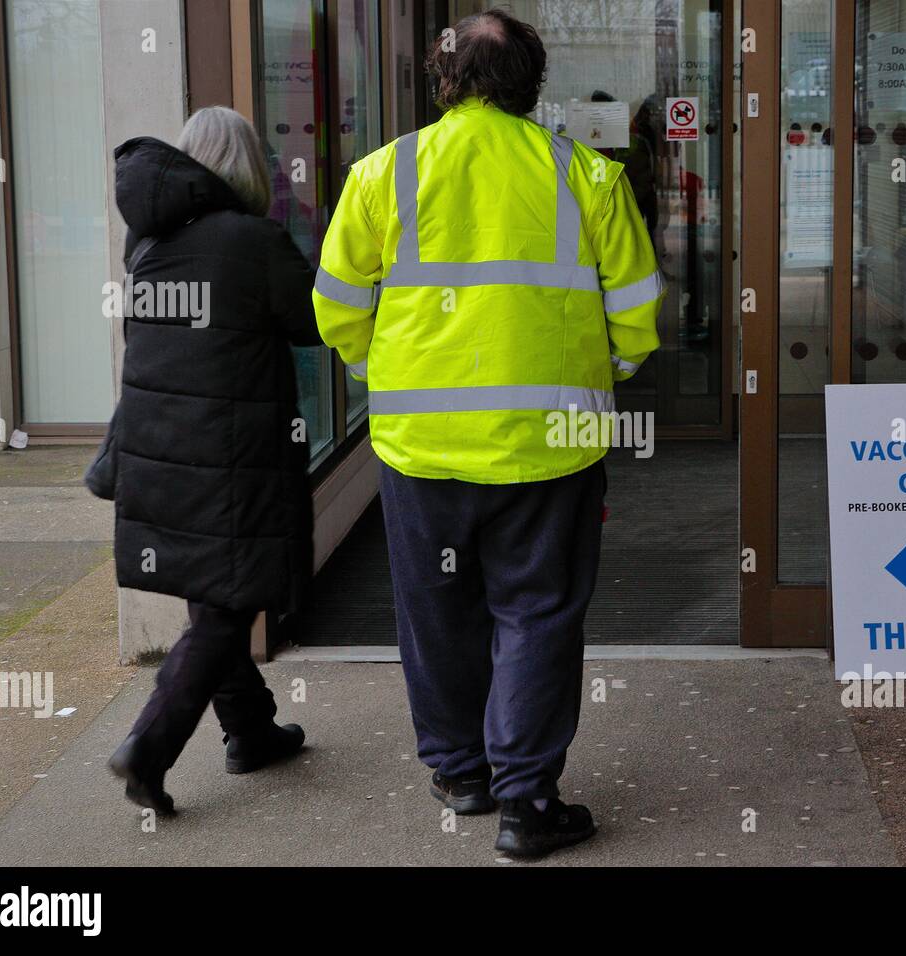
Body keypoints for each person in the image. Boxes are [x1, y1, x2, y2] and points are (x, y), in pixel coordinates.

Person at [313, 9, 663, 858]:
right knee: (538, 613)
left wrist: (389, 378)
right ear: (531, 83)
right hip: (550, 449)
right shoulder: (585, 174)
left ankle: (462, 771)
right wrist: (598, 381)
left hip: (419, 452)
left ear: (444, 80)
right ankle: (527, 802)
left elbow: (336, 309)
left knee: (435, 609)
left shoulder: (381, 174)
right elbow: (639, 318)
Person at [99, 107, 322, 814]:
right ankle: (148, 746)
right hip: (229, 455)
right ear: (251, 167)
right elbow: (313, 321)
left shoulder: (147, 243)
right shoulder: (251, 241)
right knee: (230, 605)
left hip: (160, 448)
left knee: (214, 592)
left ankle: (250, 732)